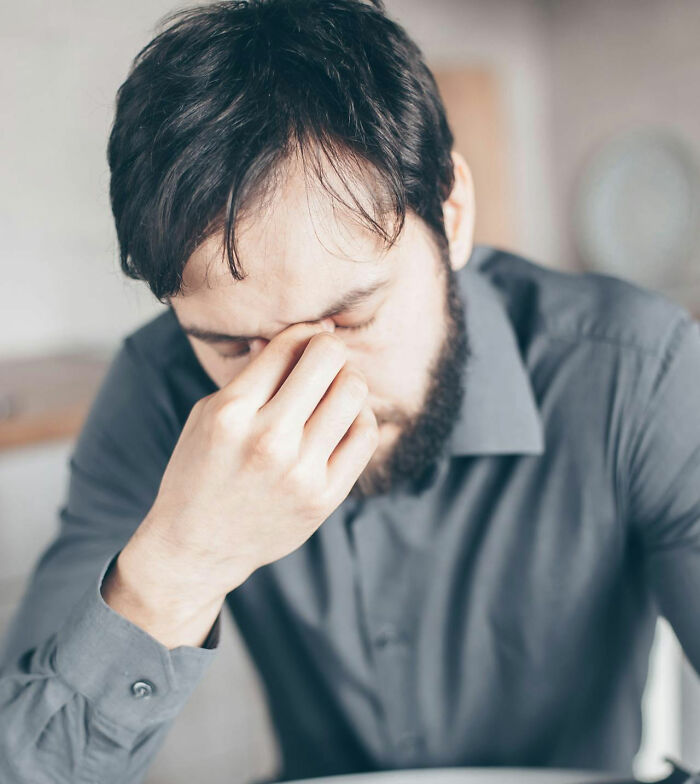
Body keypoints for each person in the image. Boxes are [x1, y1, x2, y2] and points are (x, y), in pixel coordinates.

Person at [1, 0, 699, 782]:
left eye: (351, 315)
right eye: (235, 345)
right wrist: (182, 561)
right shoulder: (157, 388)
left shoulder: (640, 368)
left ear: (453, 212)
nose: (309, 391)